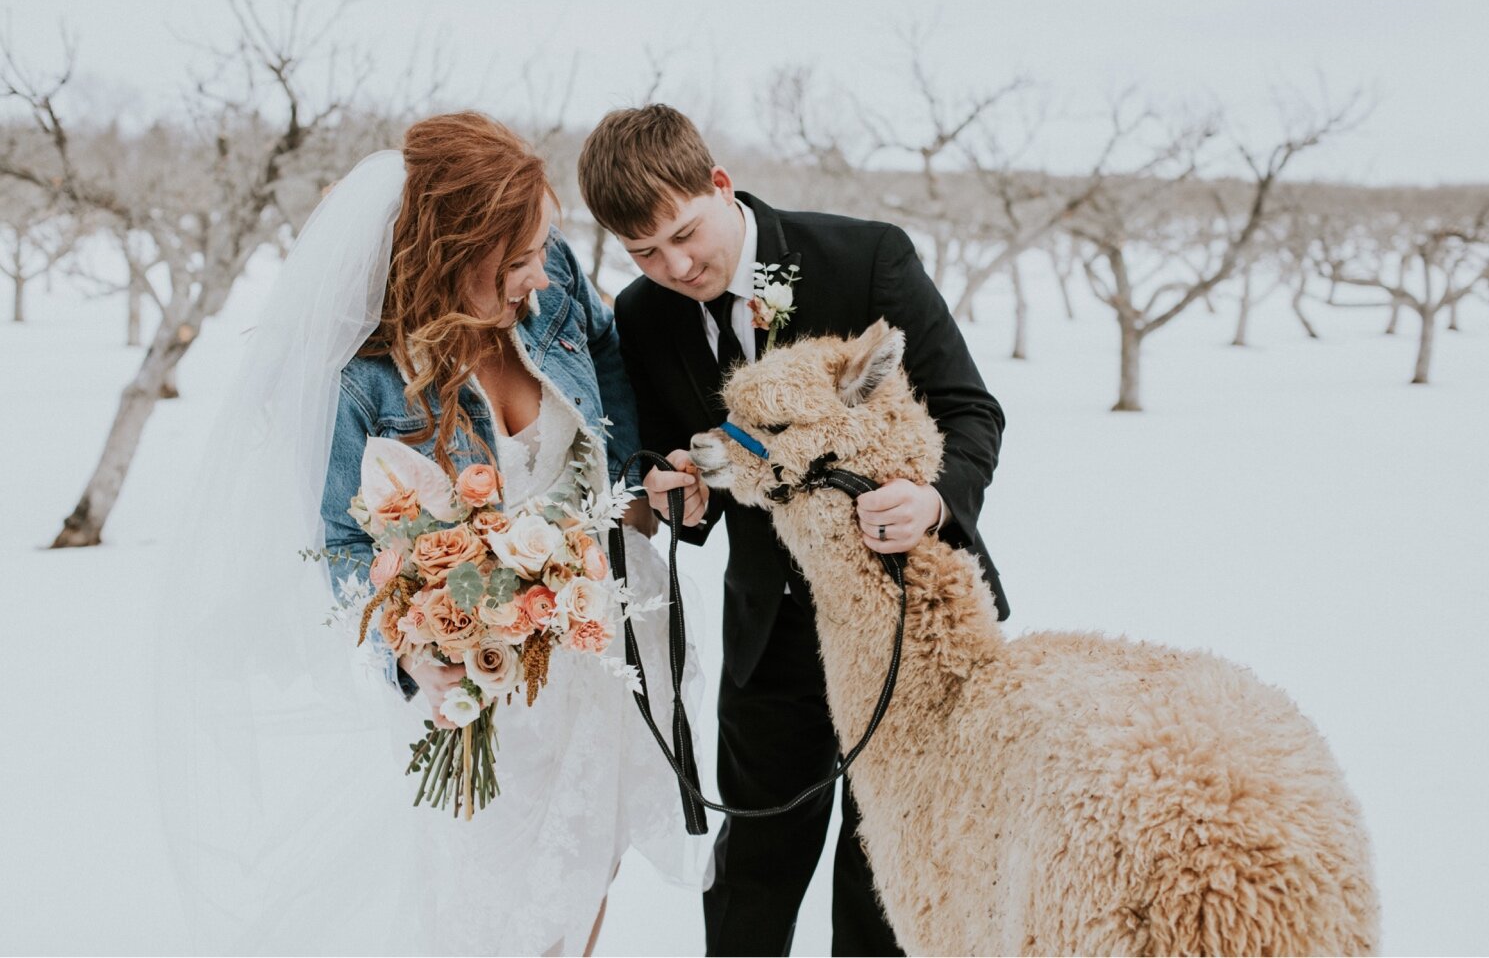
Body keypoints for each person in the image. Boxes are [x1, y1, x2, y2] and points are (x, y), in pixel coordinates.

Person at [163, 112, 703, 956]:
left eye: (541, 251)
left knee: (587, 855)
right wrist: (418, 650)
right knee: (485, 892)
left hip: (596, 635)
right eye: (514, 262)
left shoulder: (549, 268)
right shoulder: (360, 378)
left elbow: (603, 360)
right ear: (452, 256)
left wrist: (634, 493)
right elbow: (344, 549)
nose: (540, 277)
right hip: (475, 679)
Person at [577, 103, 1009, 957]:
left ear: (720, 185)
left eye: (685, 234)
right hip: (770, 634)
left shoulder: (866, 258)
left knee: (884, 866)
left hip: (905, 628)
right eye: (644, 254)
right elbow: (672, 454)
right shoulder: (640, 314)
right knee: (752, 869)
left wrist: (933, 500)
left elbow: (971, 412)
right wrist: (676, 488)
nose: (676, 266)